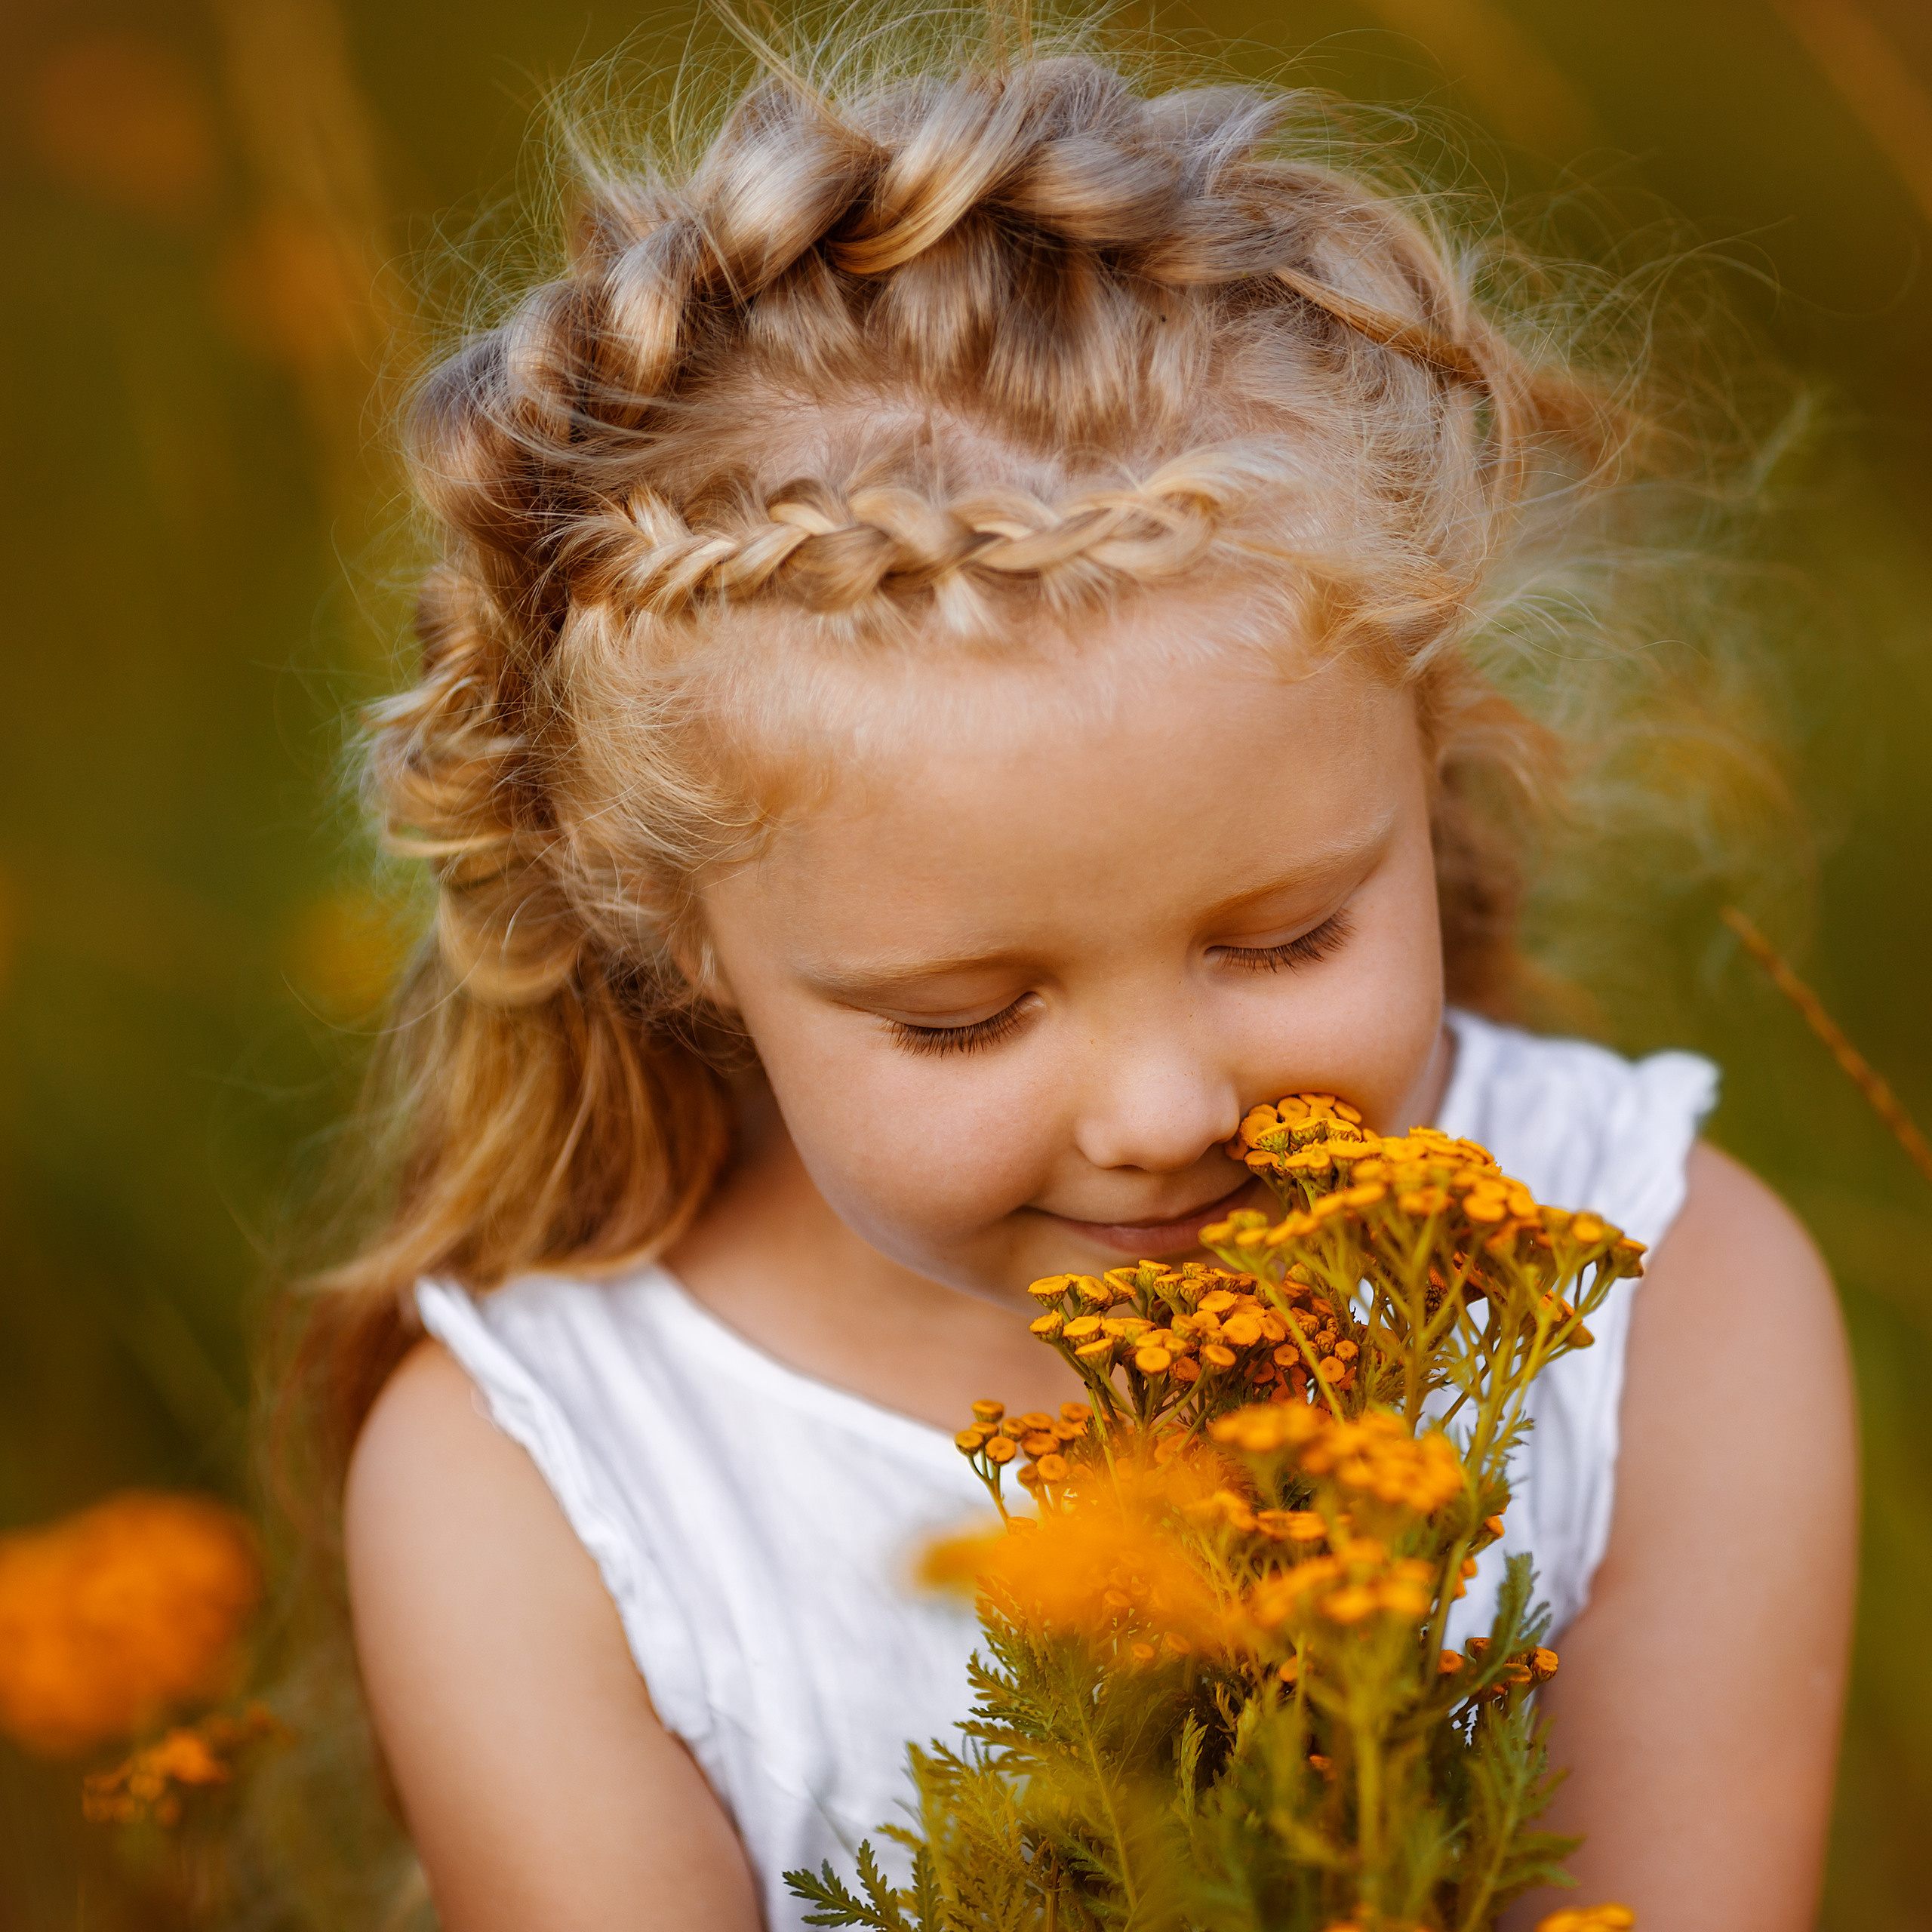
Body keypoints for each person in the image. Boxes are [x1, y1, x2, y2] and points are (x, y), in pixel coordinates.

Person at [321, 17, 1855, 1930]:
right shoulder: (546, 1489)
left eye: (1285, 934)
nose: (1163, 1112)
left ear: (1425, 759)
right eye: (959, 1017)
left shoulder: (1652, 1294)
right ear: (669, 930)